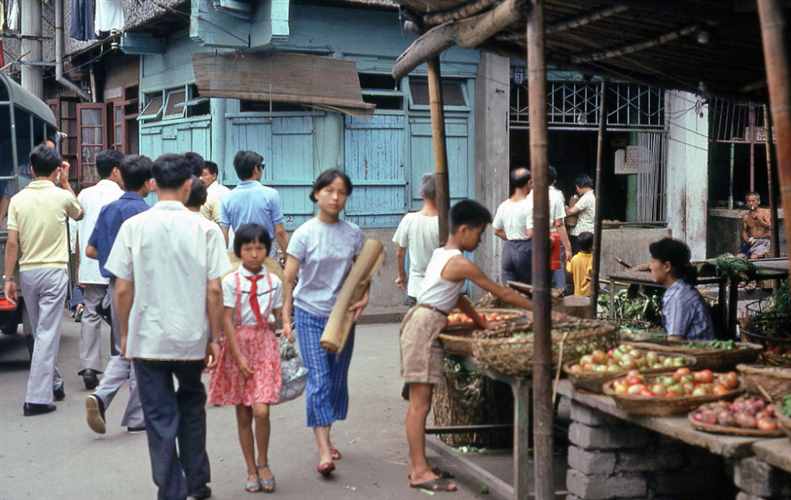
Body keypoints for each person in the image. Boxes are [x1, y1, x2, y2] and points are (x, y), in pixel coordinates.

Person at [401, 199, 553, 493]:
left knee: (420, 403)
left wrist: (479, 322)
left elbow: (457, 297)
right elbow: (499, 291)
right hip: (424, 327)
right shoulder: (459, 262)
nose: (481, 239)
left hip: (424, 323)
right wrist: (541, 310)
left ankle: (419, 465)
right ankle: (419, 471)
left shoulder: (442, 254)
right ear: (463, 229)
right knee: (420, 404)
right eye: (480, 233)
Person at [105, 153, 228, 500]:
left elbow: (123, 287)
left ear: (154, 184)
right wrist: (215, 337)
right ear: (190, 184)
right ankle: (198, 483)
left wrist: (125, 333)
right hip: (191, 337)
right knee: (191, 407)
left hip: (148, 338)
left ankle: (171, 491)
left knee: (158, 417)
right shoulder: (206, 229)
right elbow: (215, 289)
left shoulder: (135, 227)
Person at [282, 169, 368, 478]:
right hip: (309, 314)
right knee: (318, 378)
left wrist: (365, 297)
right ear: (316, 193)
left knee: (334, 380)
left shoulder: (353, 234)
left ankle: (327, 437)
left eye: (342, 192)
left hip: (342, 317)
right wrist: (285, 316)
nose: (335, 197)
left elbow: (363, 272)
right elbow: (289, 278)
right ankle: (322, 450)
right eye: (329, 190)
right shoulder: (305, 233)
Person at [208, 224, 293, 493]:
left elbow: (279, 314)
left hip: (265, 344)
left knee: (261, 409)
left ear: (267, 250)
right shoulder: (232, 281)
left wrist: (286, 326)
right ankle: (250, 468)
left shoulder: (275, 281)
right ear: (239, 251)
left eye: (259, 248)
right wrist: (237, 355)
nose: (254, 254)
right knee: (244, 413)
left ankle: (264, 461)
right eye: (248, 248)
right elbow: (227, 319)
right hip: (238, 346)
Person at [4, 144, 83, 416]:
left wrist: (7, 278)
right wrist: (65, 183)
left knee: (40, 332)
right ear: (57, 169)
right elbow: (79, 212)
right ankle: (36, 398)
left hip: (27, 272)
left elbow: (12, 244)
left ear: (31, 169)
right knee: (47, 334)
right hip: (54, 270)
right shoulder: (61, 197)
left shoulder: (17, 200)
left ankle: (55, 382)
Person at [84, 154, 153, 435]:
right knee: (141, 350)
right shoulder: (146, 214)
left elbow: (90, 250)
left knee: (123, 346)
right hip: (141, 285)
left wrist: (114, 257)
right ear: (148, 183)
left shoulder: (109, 210)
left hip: (113, 285)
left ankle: (101, 395)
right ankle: (137, 416)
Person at [75, 149, 124, 390]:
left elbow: (77, 231)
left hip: (91, 265)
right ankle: (119, 363)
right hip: (117, 267)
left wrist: (77, 267)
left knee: (91, 313)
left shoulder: (84, 194)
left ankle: (89, 367)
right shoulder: (123, 196)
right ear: (116, 170)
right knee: (119, 314)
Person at [219, 151, 289, 261]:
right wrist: (288, 258)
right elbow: (279, 232)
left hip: (240, 255)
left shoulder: (227, 198)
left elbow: (224, 234)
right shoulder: (271, 194)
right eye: (262, 166)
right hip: (266, 255)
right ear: (256, 169)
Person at [648, 238, 714, 340]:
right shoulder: (679, 289)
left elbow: (675, 342)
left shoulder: (679, 298)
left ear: (667, 266)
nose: (650, 266)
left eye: (653, 261)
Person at [393, 174, 440, 306]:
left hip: (415, 288)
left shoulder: (409, 219)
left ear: (422, 194)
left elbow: (400, 253)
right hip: (439, 287)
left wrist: (402, 276)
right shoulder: (445, 222)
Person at [524, 166, 571, 288]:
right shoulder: (557, 196)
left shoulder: (529, 196)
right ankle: (559, 296)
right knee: (557, 271)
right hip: (553, 238)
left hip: (534, 237)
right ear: (554, 180)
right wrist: (568, 247)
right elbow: (559, 224)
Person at [493, 167, 532, 284]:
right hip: (526, 250)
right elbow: (531, 233)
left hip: (508, 250)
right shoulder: (530, 205)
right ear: (529, 183)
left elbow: (496, 230)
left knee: (509, 290)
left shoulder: (504, 205)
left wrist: (511, 237)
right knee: (529, 290)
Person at [566, 174, 596, 255]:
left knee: (579, 257)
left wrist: (564, 209)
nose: (577, 190)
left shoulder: (586, 197)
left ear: (581, 186)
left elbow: (571, 211)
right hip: (587, 232)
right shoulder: (590, 196)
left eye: (577, 187)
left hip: (582, 234)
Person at [740, 192, 772, 259]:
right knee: (739, 258)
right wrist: (747, 240)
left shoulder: (765, 212)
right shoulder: (746, 216)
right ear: (747, 203)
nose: (751, 203)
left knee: (753, 257)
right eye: (749, 201)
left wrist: (760, 220)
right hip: (751, 242)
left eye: (753, 201)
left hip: (763, 242)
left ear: (758, 202)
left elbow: (770, 227)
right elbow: (744, 231)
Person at [199, 160, 231, 225]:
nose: (200, 178)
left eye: (204, 175)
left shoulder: (214, 194)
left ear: (214, 176)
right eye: (198, 175)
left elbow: (221, 223)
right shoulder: (225, 190)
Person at [566, 232, 593, 297]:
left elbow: (569, 270)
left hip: (577, 294)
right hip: (589, 294)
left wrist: (567, 261)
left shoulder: (575, 259)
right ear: (591, 246)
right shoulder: (593, 259)